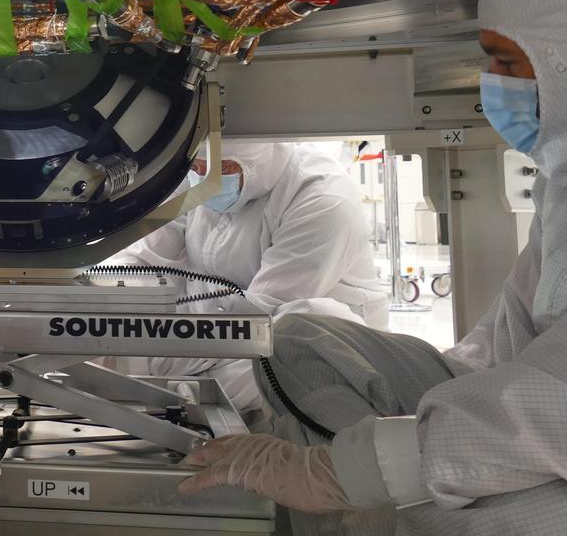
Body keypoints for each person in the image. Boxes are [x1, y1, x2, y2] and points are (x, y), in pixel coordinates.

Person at [178, 0, 567, 536]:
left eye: (507, 64)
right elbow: (505, 344)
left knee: (538, 524)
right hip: (525, 412)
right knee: (302, 337)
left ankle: (375, 514)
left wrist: (335, 472)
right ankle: (365, 521)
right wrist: (429, 408)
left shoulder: (314, 194)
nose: (492, 85)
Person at [107, 140, 387, 414]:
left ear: (258, 160)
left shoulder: (323, 200)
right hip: (208, 339)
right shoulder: (193, 177)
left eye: (223, 169)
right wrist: (102, 310)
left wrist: (150, 355)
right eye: (197, 168)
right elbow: (142, 260)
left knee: (279, 363)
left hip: (282, 346)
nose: (204, 182)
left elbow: (255, 322)